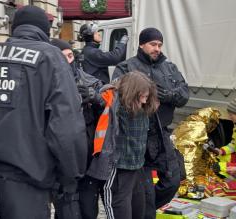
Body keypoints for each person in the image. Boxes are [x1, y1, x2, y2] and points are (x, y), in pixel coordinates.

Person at [0, 6, 87, 219]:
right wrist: (70, 178)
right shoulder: (50, 58)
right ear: (45, 31)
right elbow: (67, 129)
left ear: (13, 27)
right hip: (26, 181)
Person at [112, 27, 189, 219]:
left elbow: (184, 94)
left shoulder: (169, 67)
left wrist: (168, 95)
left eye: (160, 45)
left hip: (161, 134)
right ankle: (144, 209)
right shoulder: (126, 67)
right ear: (141, 44)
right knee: (144, 192)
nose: (157, 48)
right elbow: (116, 98)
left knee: (173, 179)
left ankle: (145, 206)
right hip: (138, 137)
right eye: (153, 44)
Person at [87, 71, 159, 219]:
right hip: (118, 166)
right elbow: (103, 99)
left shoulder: (142, 107)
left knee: (135, 206)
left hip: (135, 167)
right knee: (119, 205)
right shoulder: (117, 104)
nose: (144, 101)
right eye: (142, 97)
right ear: (131, 92)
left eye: (147, 97)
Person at [50, 39, 105, 219]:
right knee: (66, 211)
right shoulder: (48, 81)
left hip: (89, 156)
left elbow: (109, 110)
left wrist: (94, 97)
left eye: (70, 55)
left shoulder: (89, 80)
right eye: (62, 57)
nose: (68, 61)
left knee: (89, 210)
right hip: (62, 159)